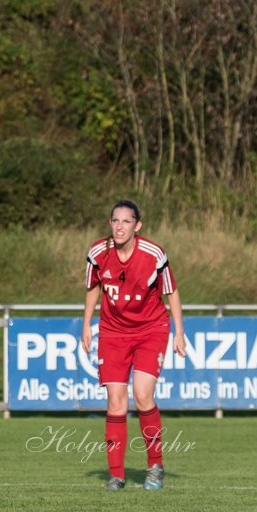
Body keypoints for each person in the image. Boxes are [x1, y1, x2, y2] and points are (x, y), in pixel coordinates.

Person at [80, 200, 185, 491]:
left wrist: (179, 331)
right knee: (115, 401)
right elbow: (92, 288)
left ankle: (155, 465)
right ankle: (116, 475)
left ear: (137, 226)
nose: (119, 227)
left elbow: (171, 292)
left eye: (126, 221)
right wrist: (86, 324)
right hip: (113, 333)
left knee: (142, 394)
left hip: (151, 329)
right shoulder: (98, 253)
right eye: (115, 221)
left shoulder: (153, 254)